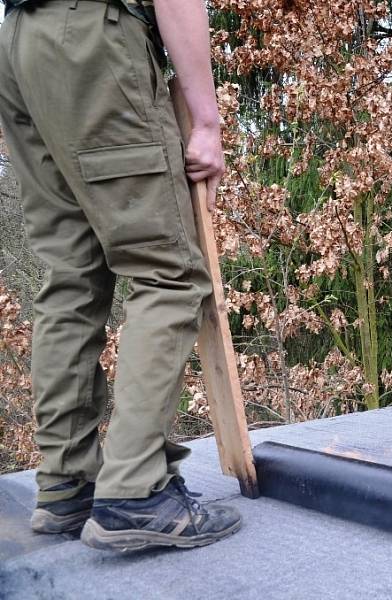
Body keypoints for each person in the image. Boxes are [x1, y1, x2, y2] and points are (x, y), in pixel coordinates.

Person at [0, 0, 243, 550]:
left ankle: (67, 485)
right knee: (167, 271)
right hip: (90, 41)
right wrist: (206, 119)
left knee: (71, 272)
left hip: (17, 41)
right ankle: (136, 493)